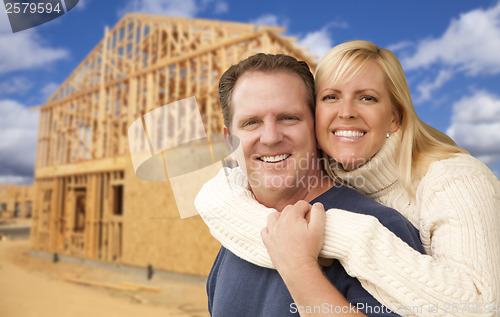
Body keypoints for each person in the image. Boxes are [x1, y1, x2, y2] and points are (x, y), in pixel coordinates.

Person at [195, 41, 500, 316]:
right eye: (251, 122)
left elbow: (480, 306)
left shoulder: (429, 198)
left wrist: (319, 251)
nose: (271, 136)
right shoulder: (238, 228)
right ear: (229, 142)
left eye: (289, 118)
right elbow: (220, 196)